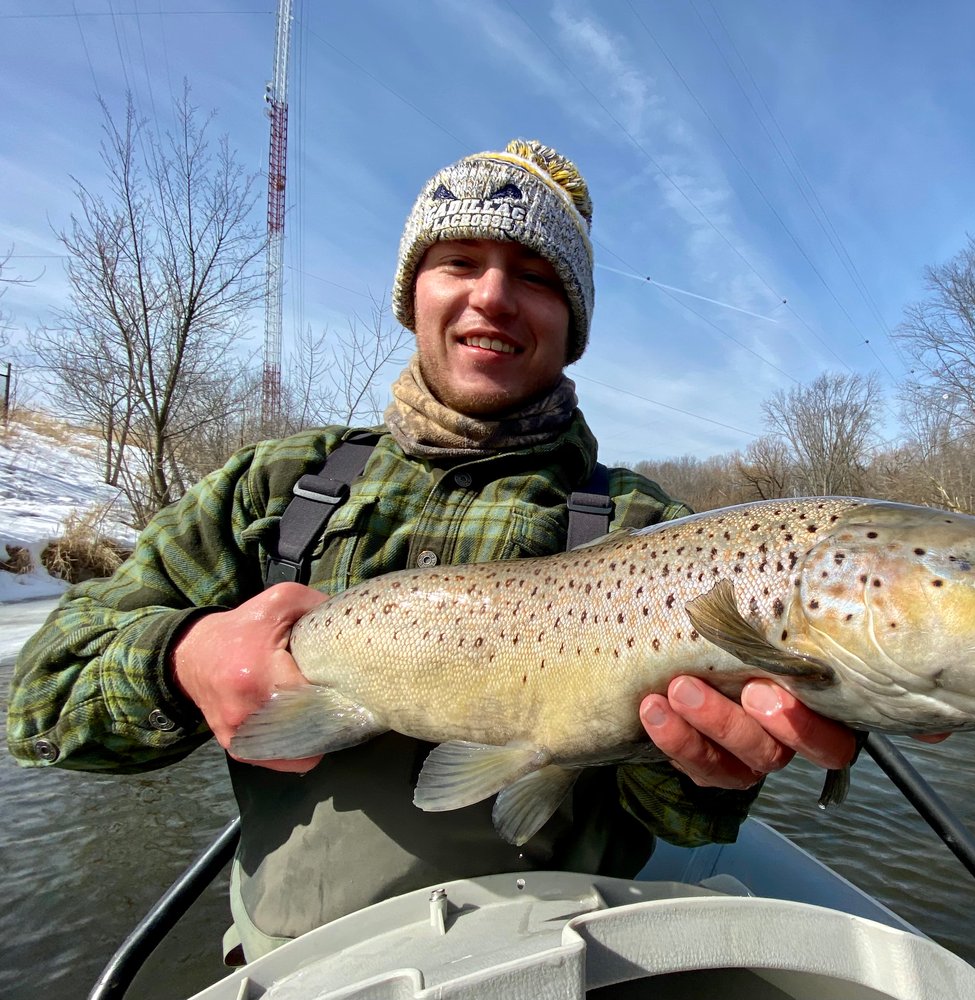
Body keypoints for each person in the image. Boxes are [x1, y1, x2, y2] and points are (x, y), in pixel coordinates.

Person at [7, 139, 855, 962]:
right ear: (412, 296)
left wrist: (707, 772)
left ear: (574, 323)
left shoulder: (656, 532)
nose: (493, 297)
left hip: (568, 965)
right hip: (296, 974)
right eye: (458, 263)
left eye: (535, 277)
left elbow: (684, 821)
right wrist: (184, 660)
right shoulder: (273, 488)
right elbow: (41, 705)